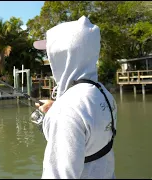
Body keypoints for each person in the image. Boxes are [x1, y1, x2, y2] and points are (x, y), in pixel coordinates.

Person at [33, 16, 117, 179]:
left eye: (51, 53)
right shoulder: (103, 93)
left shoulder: (66, 111)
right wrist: (56, 107)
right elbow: (90, 133)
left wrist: (58, 112)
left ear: (63, 56)